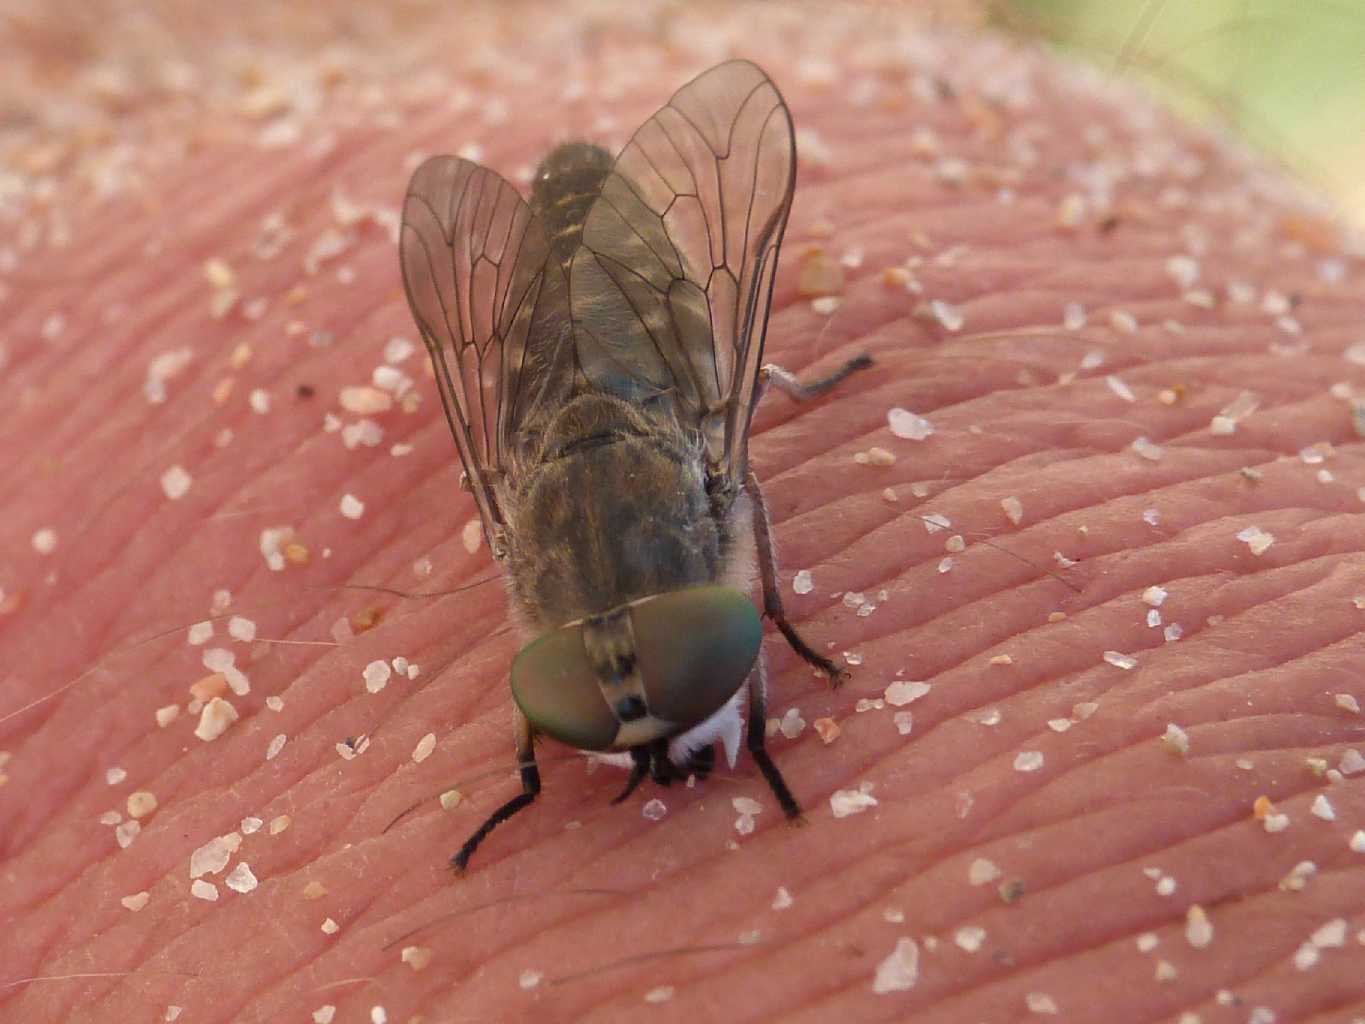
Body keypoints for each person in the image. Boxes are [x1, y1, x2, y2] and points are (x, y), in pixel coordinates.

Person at [2, 4, 1362, 1021]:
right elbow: (655, 446)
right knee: (677, 406)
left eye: (579, 703)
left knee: (686, 400)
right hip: (571, 371)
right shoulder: (585, 580)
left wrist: (762, 651)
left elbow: (702, 464)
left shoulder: (669, 539)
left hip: (607, 357)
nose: (630, 711)